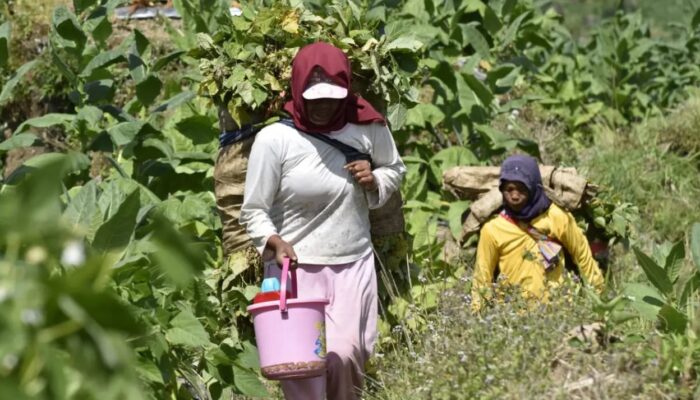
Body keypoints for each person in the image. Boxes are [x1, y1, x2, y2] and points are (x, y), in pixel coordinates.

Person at [239, 42, 405, 400]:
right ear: (298, 92)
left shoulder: (368, 129)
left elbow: (395, 169)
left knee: (346, 356)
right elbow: (253, 209)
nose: (323, 106)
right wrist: (272, 241)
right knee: (302, 368)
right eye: (314, 99)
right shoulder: (275, 139)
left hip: (352, 263)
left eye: (331, 98)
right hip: (296, 270)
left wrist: (375, 178)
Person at [470, 154, 604, 311]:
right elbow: (482, 275)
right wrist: (477, 313)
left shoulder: (557, 217)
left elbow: (583, 257)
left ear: (533, 186)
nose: (514, 196)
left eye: (521, 189)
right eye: (509, 189)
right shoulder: (493, 229)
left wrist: (598, 301)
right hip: (512, 315)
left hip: (557, 311)